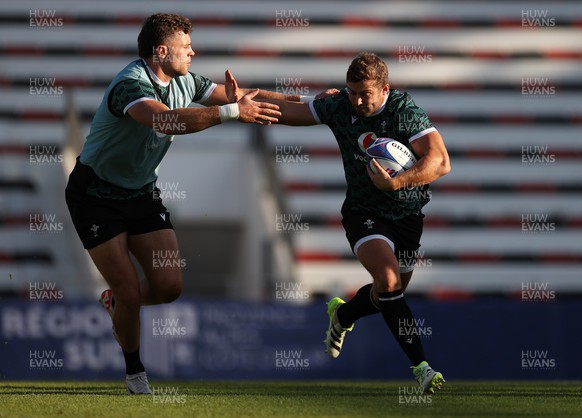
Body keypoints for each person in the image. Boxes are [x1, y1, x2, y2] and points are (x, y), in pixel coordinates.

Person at [64, 13, 306, 394]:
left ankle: (116, 303)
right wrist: (230, 112)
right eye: (185, 46)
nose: (193, 52)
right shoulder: (130, 85)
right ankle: (134, 373)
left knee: (169, 287)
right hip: (95, 195)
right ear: (161, 51)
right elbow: (166, 122)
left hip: (141, 192)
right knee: (129, 289)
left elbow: (246, 97)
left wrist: (315, 105)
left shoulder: (186, 81)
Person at [271, 52, 450, 392]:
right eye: (352, 92)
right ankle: (423, 368)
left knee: (388, 294)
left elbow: (441, 162)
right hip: (362, 213)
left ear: (385, 89)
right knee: (388, 279)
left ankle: (343, 316)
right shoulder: (340, 106)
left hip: (408, 216)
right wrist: (236, 101)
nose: (357, 100)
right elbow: (288, 108)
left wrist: (398, 181)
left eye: (364, 93)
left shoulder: (403, 110)